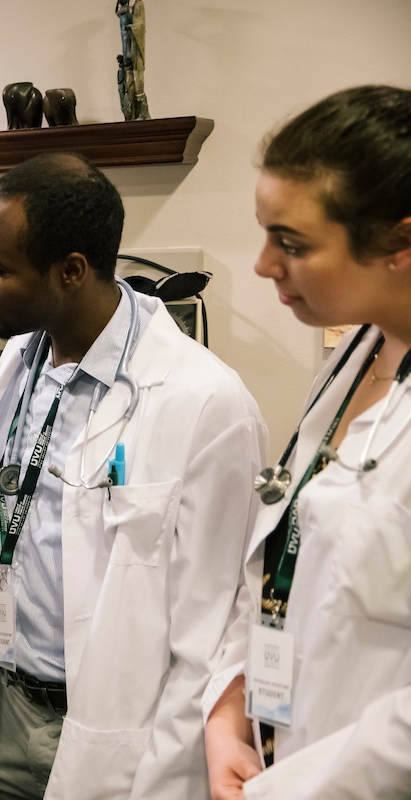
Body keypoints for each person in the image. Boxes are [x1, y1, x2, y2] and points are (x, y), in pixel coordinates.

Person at [0, 152, 267, 800]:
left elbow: (214, 629)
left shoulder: (205, 403)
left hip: (108, 733)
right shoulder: (21, 359)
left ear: (71, 271)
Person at [203, 85, 411, 800]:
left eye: (291, 243)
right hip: (278, 748)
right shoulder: (357, 350)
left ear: (403, 242)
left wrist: (288, 791)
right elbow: (284, 545)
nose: (263, 265)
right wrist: (229, 704)